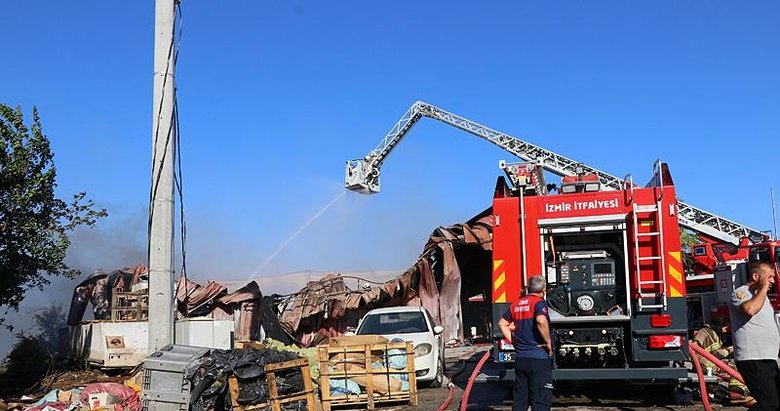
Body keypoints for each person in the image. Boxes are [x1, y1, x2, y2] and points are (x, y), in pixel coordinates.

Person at [728, 260, 780, 411]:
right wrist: (763, 288)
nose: (772, 281)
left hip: (767, 357)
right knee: (770, 404)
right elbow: (749, 309)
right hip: (752, 357)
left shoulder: (762, 297)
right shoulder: (741, 293)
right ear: (756, 276)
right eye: (769, 277)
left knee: (775, 402)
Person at [498, 275, 553, 411]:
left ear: (528, 288)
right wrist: (548, 342)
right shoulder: (539, 303)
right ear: (544, 289)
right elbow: (541, 321)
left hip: (521, 358)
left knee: (520, 398)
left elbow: (502, 324)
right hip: (538, 358)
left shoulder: (516, 304)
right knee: (540, 399)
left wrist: (514, 342)